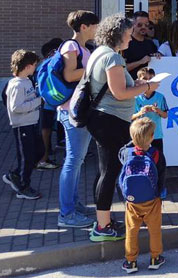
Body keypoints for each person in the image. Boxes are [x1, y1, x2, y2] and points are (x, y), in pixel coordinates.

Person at [86, 14, 161, 242]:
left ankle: (103, 219)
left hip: (102, 119)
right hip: (110, 121)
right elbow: (119, 93)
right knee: (109, 172)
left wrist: (135, 84)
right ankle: (102, 227)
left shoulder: (99, 53)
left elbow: (114, 87)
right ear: (119, 34)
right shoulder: (113, 58)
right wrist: (147, 86)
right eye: (128, 34)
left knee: (103, 171)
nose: (131, 38)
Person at [56, 11, 99, 228]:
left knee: (77, 160)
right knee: (73, 161)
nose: (96, 29)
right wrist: (93, 68)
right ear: (84, 27)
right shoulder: (71, 47)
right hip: (72, 112)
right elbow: (69, 75)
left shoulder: (82, 48)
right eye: (94, 25)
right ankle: (66, 214)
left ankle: (72, 204)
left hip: (78, 110)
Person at [120, 118, 166, 273]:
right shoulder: (156, 154)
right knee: (154, 230)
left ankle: (131, 261)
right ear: (152, 137)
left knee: (132, 230)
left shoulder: (127, 152)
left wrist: (130, 143)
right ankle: (155, 258)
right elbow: (161, 175)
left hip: (132, 201)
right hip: (152, 199)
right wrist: (159, 193)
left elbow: (120, 155)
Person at [3, 50, 44, 200]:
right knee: (26, 157)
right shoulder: (16, 85)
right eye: (34, 65)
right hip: (22, 126)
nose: (35, 68)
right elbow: (16, 107)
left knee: (39, 152)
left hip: (32, 123)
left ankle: (15, 174)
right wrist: (38, 101)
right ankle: (23, 186)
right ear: (27, 66)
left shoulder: (27, 81)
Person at [37, 38, 64, 170]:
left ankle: (45, 155)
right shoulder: (50, 65)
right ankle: (43, 158)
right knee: (45, 130)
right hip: (47, 103)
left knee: (46, 129)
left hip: (46, 103)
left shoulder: (43, 64)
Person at [131, 68, 168, 153]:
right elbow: (131, 117)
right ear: (138, 80)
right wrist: (140, 112)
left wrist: (158, 110)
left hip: (156, 134)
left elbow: (165, 115)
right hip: (140, 135)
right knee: (140, 159)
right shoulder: (135, 97)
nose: (148, 82)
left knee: (158, 159)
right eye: (144, 79)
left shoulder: (160, 97)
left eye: (151, 79)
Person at [123, 11, 158, 79]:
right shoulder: (126, 43)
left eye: (146, 25)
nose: (143, 27)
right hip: (132, 84)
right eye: (140, 25)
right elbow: (121, 69)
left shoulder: (150, 43)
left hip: (148, 85)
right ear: (133, 25)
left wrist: (157, 56)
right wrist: (140, 62)